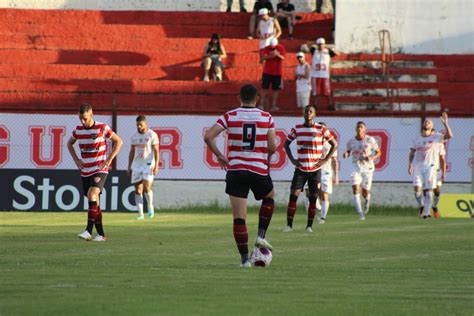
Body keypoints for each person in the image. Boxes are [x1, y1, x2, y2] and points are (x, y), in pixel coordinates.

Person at [204, 84, 276, 268]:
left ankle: (244, 260)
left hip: (236, 170)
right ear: (257, 98)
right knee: (269, 197)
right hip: (258, 169)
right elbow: (272, 146)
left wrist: (220, 155)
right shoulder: (266, 117)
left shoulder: (229, 116)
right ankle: (261, 235)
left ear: (239, 97)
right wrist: (265, 156)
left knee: (239, 217)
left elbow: (208, 136)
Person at [67, 103, 123, 241]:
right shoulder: (78, 130)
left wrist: (109, 159)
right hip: (85, 170)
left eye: (85, 118)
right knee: (94, 202)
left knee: (92, 194)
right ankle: (101, 234)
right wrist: (76, 160)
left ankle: (88, 231)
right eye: (80, 118)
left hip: (100, 168)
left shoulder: (102, 127)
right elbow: (69, 143)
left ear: (91, 114)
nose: (82, 121)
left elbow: (119, 141)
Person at [283, 105, 337, 233]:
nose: (308, 113)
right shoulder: (297, 128)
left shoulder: (321, 129)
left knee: (313, 198)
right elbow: (286, 143)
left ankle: (309, 226)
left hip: (314, 170)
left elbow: (334, 144)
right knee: (293, 197)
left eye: (310, 111)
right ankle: (289, 225)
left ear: (314, 114)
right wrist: (292, 159)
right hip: (300, 169)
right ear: (303, 113)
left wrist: (325, 160)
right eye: (306, 111)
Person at [408, 113, 452, 219]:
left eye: (429, 122)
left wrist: (445, 123)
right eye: (425, 121)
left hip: (431, 167)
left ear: (432, 127)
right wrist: (410, 164)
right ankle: (422, 206)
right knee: (417, 189)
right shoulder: (416, 139)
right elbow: (412, 152)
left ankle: (428, 213)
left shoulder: (436, 137)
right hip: (418, 167)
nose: (426, 122)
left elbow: (449, 136)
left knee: (431, 190)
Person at [343, 121, 381, 220]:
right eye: (358, 127)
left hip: (368, 168)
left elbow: (378, 152)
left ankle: (367, 199)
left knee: (365, 192)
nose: (359, 128)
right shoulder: (351, 141)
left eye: (361, 127)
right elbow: (347, 151)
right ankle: (360, 214)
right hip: (356, 166)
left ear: (365, 129)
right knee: (355, 188)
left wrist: (372, 158)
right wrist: (346, 154)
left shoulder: (370, 140)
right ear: (356, 129)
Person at [127, 115, 160, 220]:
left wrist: (156, 165)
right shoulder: (134, 136)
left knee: (147, 188)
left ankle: (150, 207)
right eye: (137, 125)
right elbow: (132, 152)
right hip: (137, 165)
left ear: (146, 124)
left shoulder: (152, 135)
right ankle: (140, 214)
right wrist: (129, 166)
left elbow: (156, 151)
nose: (139, 127)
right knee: (138, 189)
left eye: (140, 124)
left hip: (149, 164)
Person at [317, 122, 339, 224]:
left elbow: (334, 160)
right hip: (314, 170)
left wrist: (336, 175)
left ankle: (323, 218)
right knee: (312, 192)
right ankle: (319, 208)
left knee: (325, 194)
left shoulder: (330, 144)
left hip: (326, 171)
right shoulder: (313, 141)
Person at [309, 37, 339, 110]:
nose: (320, 46)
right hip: (315, 75)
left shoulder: (328, 51)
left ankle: (330, 104)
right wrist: (314, 44)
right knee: (316, 91)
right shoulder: (314, 51)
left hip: (325, 75)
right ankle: (315, 105)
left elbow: (337, 54)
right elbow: (308, 45)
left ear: (324, 44)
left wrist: (329, 48)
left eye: (322, 44)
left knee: (327, 91)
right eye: (319, 44)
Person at [260, 37, 286, 112]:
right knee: (264, 88)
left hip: (277, 72)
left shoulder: (281, 48)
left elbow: (283, 57)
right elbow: (262, 58)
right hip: (267, 72)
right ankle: (261, 104)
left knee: (275, 89)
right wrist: (272, 56)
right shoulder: (266, 48)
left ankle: (273, 105)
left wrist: (277, 55)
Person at [432, 141, 446, 218]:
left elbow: (443, 161)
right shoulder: (425, 147)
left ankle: (434, 206)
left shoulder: (440, 148)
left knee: (437, 191)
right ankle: (423, 209)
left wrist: (443, 174)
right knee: (427, 190)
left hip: (437, 172)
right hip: (427, 171)